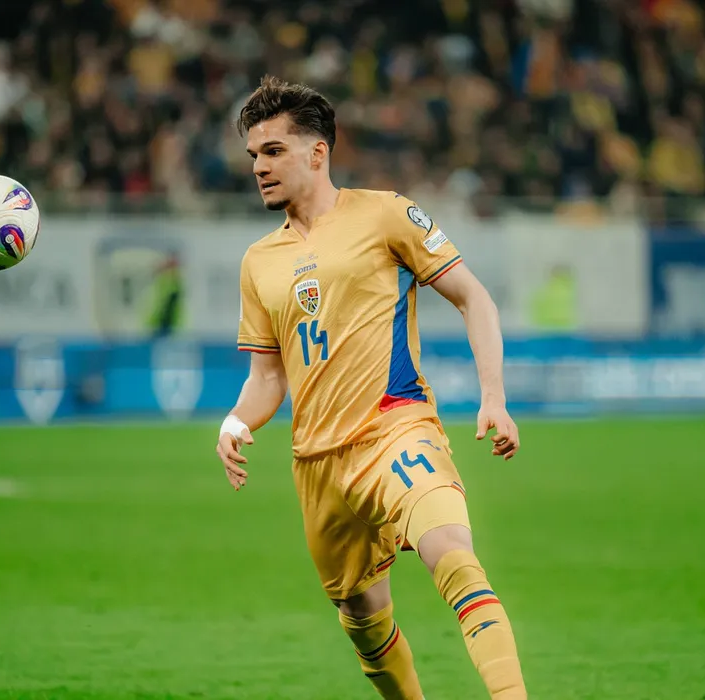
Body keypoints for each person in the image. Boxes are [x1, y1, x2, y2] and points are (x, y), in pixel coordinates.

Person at [214, 76, 526, 699]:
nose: (258, 167)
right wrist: (237, 421)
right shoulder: (259, 262)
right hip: (318, 464)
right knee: (363, 622)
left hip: (394, 428)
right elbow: (267, 376)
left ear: (317, 153)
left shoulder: (387, 213)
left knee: (452, 554)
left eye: (273, 151)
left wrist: (494, 397)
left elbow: (474, 298)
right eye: (253, 155)